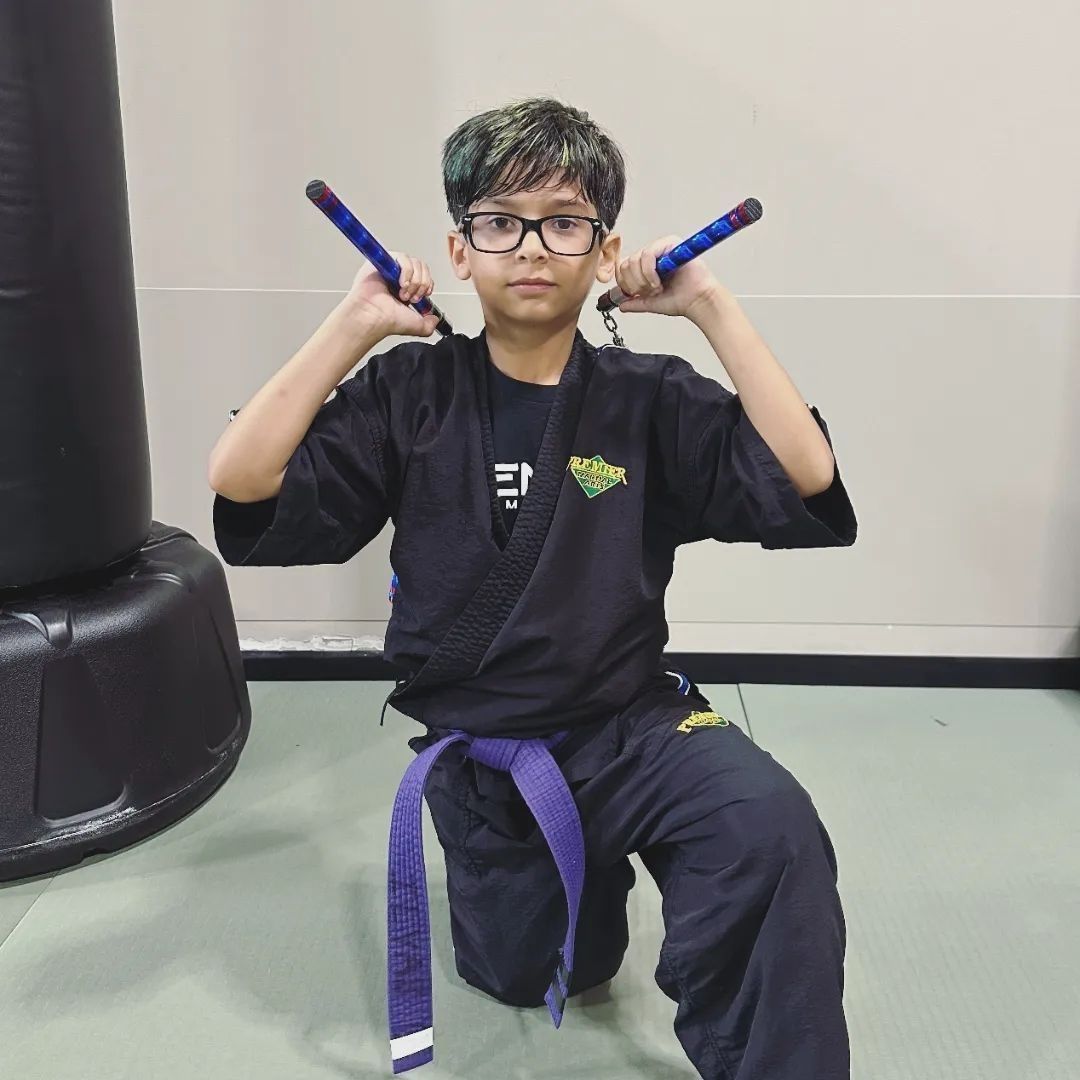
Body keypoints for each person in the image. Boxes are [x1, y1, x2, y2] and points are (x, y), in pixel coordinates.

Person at [209, 98, 857, 1080]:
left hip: (631, 730)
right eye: (500, 223)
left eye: (563, 223)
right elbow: (242, 478)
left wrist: (709, 305)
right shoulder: (411, 395)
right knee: (542, 973)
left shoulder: (646, 398)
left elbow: (805, 474)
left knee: (769, 826)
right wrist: (356, 325)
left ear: (605, 250)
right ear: (459, 249)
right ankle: (577, 888)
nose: (531, 248)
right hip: (493, 762)